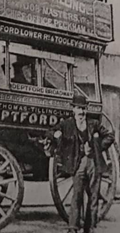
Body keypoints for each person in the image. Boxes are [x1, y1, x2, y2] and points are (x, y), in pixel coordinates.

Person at [46, 95, 114, 233]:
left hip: (93, 163)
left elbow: (110, 136)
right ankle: (73, 228)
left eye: (83, 109)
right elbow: (49, 132)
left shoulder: (93, 124)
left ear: (86, 110)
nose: (81, 112)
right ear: (73, 110)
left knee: (93, 198)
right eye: (78, 108)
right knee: (77, 196)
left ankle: (90, 228)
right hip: (78, 164)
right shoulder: (67, 124)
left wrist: (98, 147)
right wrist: (56, 134)